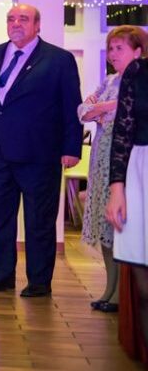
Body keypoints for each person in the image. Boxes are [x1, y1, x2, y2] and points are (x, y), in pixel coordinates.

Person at [0, 4, 82, 298]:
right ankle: (2, 275)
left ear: (37, 25)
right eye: (11, 19)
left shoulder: (59, 59)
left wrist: (72, 147)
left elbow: (71, 105)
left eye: (23, 19)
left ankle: (39, 281)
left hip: (39, 154)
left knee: (39, 220)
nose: (16, 23)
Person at [82, 26, 147, 314]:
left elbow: (124, 111)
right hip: (102, 159)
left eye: (119, 48)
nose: (112, 54)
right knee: (105, 225)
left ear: (138, 51)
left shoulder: (138, 82)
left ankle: (123, 293)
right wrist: (102, 108)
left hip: (124, 159)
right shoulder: (108, 81)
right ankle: (110, 287)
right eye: (110, 48)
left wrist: (103, 108)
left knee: (122, 226)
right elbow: (83, 111)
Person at [107, 49, 148, 351]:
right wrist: (117, 188)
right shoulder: (137, 71)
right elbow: (123, 130)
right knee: (144, 284)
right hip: (140, 173)